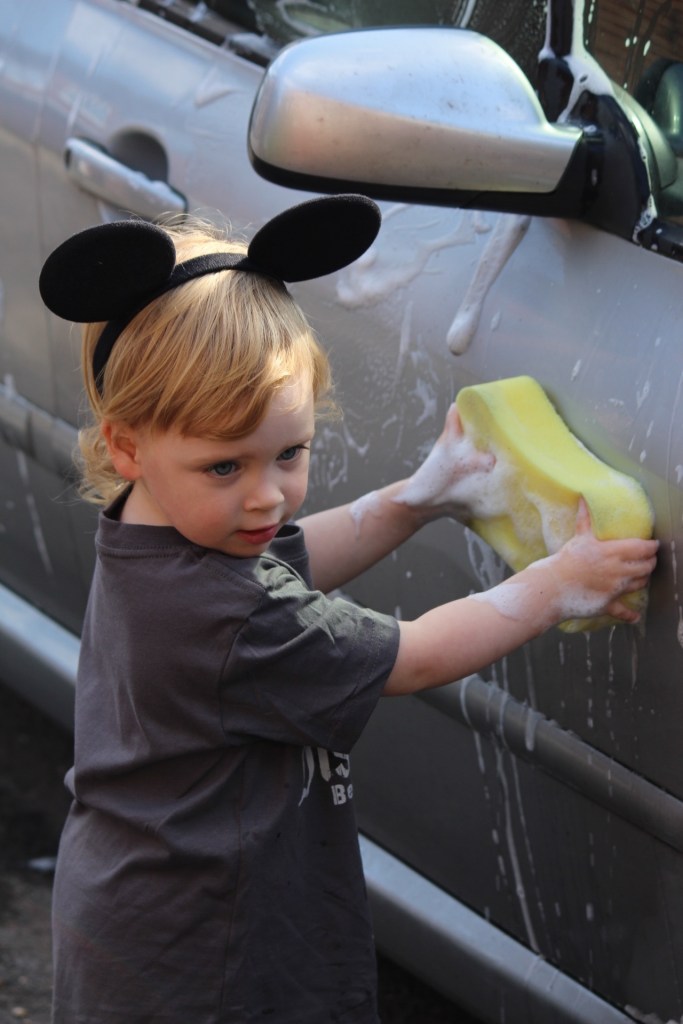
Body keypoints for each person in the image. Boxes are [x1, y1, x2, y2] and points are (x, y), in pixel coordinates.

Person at [39, 195, 658, 1024]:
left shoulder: (161, 535)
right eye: (227, 467)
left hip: (145, 913)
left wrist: (416, 498)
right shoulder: (227, 618)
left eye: (288, 453)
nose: (268, 496)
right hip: (202, 957)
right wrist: (558, 583)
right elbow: (417, 657)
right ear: (125, 446)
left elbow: (288, 557)